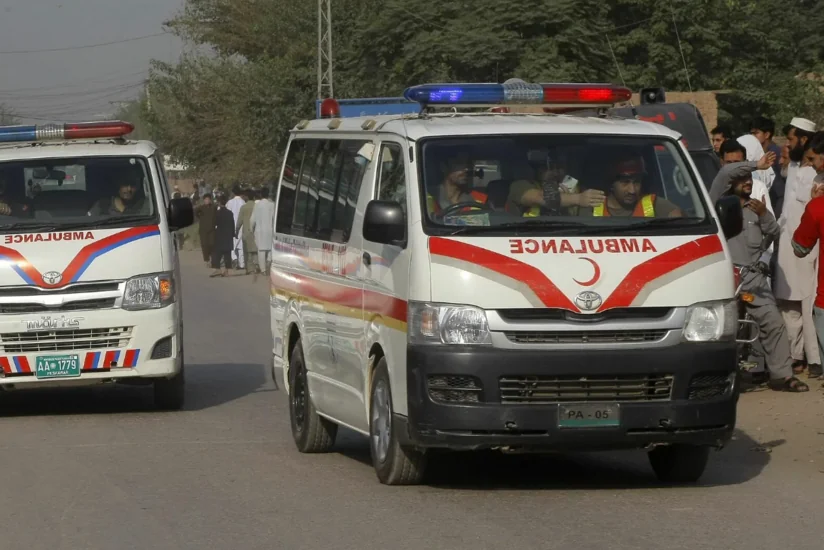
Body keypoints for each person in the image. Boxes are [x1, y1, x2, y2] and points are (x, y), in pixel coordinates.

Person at [711, 161, 808, 392]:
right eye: (742, 177)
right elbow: (725, 172)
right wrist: (755, 165)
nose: (747, 181)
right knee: (724, 329)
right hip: (726, 277)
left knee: (774, 322)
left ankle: (781, 376)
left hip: (753, 278)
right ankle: (718, 380)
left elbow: (774, 232)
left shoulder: (757, 207)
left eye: (749, 178)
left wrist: (764, 214)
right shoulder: (716, 204)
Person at [506, 151, 604, 216]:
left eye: (560, 168)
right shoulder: (520, 186)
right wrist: (577, 199)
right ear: (537, 171)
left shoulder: (580, 191)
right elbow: (541, 197)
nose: (556, 173)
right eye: (549, 168)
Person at [579, 157, 682, 218]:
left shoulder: (652, 203)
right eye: (625, 182)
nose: (632, 190)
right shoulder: (593, 207)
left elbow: (679, 221)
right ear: (611, 184)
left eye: (636, 182)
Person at [251, 188, 275, 277]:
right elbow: (274, 218)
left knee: (261, 250)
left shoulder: (257, 205)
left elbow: (252, 219)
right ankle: (269, 262)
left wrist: (251, 228)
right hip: (270, 230)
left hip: (260, 231)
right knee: (269, 249)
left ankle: (263, 269)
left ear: (261, 195)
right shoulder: (272, 205)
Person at [211, 195, 235, 277]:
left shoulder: (217, 213)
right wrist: (233, 234)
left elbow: (214, 223)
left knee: (217, 253)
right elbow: (232, 224)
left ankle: (217, 269)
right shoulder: (230, 213)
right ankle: (228, 270)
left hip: (220, 235)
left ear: (219, 203)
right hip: (228, 235)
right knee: (227, 253)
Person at [235, 188, 258, 275]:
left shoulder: (244, 207)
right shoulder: (256, 206)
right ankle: (257, 266)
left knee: (247, 251)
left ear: (247, 197)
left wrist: (236, 231)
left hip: (246, 232)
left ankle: (249, 269)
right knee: (255, 250)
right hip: (256, 231)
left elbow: (239, 221)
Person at [226, 185, 246, 269]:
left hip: (231, 225)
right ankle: (242, 264)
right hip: (241, 226)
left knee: (232, 244)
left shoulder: (230, 202)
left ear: (233, 193)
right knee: (240, 245)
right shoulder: (243, 202)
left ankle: (234, 258)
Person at [195, 193, 217, 267]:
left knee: (212, 244)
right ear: (204, 200)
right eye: (206, 199)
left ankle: (212, 258)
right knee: (204, 245)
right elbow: (196, 213)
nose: (207, 201)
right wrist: (200, 217)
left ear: (210, 200)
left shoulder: (214, 207)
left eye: (208, 199)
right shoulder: (201, 208)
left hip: (212, 229)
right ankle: (206, 260)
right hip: (203, 230)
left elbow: (216, 216)